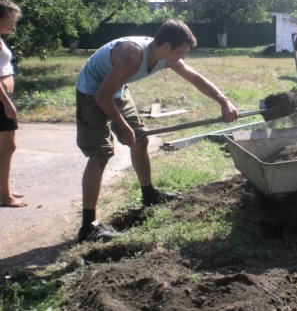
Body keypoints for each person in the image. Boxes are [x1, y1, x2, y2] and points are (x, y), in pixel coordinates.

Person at [75, 20, 239, 242]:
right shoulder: (132, 56)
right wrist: (123, 127)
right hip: (92, 92)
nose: (183, 58)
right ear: (166, 47)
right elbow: (101, 97)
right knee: (100, 154)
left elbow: (195, 78)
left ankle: (149, 194)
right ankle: (88, 225)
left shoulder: (164, 56)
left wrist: (224, 100)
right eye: (181, 52)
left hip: (116, 90)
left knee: (140, 140)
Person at [0, 0, 26, 207]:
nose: (13, 25)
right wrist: (7, 103)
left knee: (5, 147)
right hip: (1, 100)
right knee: (8, 147)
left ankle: (3, 189)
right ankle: (4, 196)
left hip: (3, 98)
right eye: (10, 20)